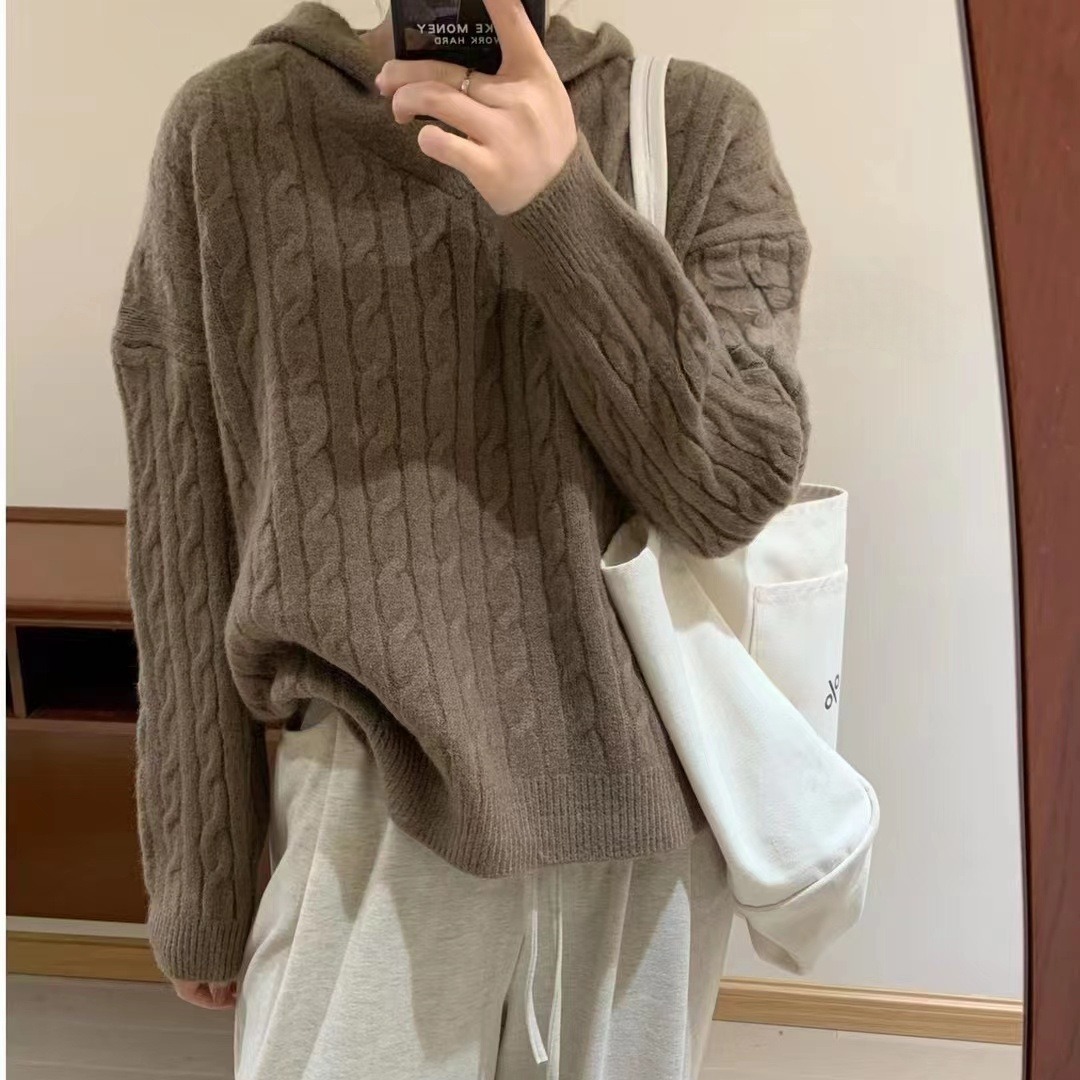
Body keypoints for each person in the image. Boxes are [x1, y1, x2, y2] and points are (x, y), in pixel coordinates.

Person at [110, 0, 811, 1076]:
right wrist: (201, 871)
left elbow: (730, 490)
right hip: (364, 808)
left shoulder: (695, 126)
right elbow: (183, 515)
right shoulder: (233, 131)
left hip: (646, 822)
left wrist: (561, 203)